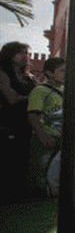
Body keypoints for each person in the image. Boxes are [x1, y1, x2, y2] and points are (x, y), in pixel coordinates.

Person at [0, 42, 37, 201]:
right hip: (7, 125)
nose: (24, 56)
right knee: (7, 162)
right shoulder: (3, 74)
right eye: (20, 52)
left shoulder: (30, 78)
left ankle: (19, 196)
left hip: (27, 125)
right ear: (9, 55)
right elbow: (11, 98)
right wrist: (34, 99)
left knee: (23, 162)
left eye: (26, 53)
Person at [27, 57, 66, 196]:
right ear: (49, 73)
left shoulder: (65, 90)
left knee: (55, 176)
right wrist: (43, 136)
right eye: (62, 71)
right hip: (46, 138)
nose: (65, 74)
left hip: (61, 139)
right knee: (41, 174)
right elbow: (32, 115)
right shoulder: (41, 90)